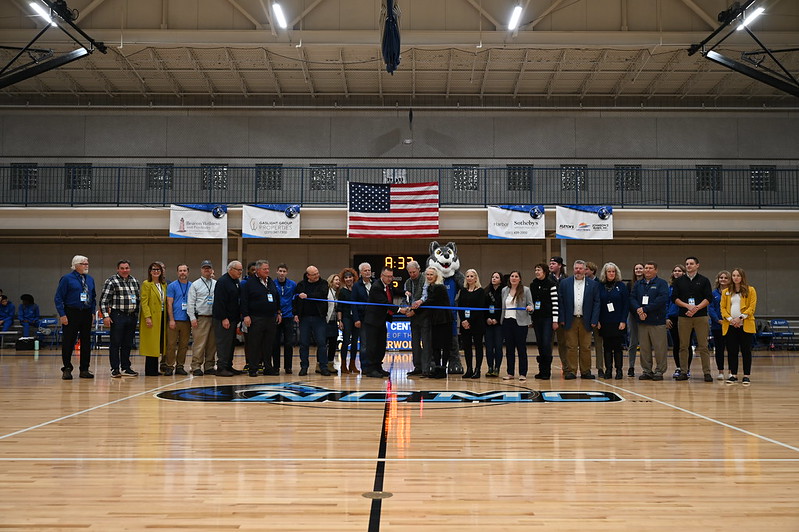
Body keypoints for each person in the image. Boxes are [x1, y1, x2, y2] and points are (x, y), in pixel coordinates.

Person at [672, 256, 714, 382]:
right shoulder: (679, 281)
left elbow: (708, 298)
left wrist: (696, 308)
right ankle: (684, 372)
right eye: (687, 264)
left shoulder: (704, 280)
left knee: (703, 346)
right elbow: (674, 298)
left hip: (701, 317)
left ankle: (707, 373)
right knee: (683, 346)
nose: (689, 265)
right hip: (684, 317)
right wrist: (687, 306)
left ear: (697, 265)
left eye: (691, 263)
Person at [557, 260, 601, 380]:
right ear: (573, 269)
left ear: (585, 269)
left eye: (581, 268)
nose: (578, 270)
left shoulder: (593, 284)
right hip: (569, 319)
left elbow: (597, 303)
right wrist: (561, 318)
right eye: (576, 268)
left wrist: (594, 319)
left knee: (585, 347)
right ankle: (571, 371)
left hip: (586, 320)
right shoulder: (565, 283)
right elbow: (560, 302)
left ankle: (585, 371)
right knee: (571, 346)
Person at [55, 255, 96, 380]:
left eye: (87, 263)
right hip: (71, 312)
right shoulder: (67, 279)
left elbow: (93, 297)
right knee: (68, 341)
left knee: (86, 342)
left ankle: (84, 369)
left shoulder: (90, 279)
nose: (86, 265)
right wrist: (62, 314)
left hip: (86, 312)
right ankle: (67, 368)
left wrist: (93, 312)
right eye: (84, 264)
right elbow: (58, 298)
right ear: (76, 265)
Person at [99, 260, 141, 378]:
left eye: (126, 268)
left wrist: (136, 314)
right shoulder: (111, 281)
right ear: (118, 269)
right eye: (122, 268)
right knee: (115, 343)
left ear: (130, 269)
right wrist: (106, 316)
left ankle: (126, 367)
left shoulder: (134, 281)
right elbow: (103, 301)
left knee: (128, 343)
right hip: (118, 316)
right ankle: (115, 368)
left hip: (131, 316)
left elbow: (137, 299)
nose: (124, 270)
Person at [240, 259, 282, 377]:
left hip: (270, 318)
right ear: (258, 270)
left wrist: (279, 312)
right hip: (255, 318)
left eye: (268, 269)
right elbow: (244, 301)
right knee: (254, 344)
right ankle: (253, 368)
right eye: (264, 269)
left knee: (268, 344)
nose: (267, 271)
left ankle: (268, 367)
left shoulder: (271, 282)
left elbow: (276, 297)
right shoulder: (249, 283)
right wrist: (246, 316)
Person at [629, 262, 670, 381]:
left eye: (650, 268)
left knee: (659, 348)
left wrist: (645, 309)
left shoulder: (661, 283)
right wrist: (639, 310)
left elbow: (662, 299)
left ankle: (659, 371)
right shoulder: (638, 283)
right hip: (642, 321)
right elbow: (632, 298)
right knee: (644, 348)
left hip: (657, 321)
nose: (647, 270)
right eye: (646, 268)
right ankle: (647, 371)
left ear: (656, 270)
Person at [363, 267, 402, 378]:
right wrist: (399, 310)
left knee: (381, 345)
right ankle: (370, 369)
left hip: (381, 321)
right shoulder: (376, 287)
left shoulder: (388, 285)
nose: (390, 279)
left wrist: (405, 292)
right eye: (388, 276)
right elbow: (384, 302)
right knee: (372, 346)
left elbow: (396, 292)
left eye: (391, 277)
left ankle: (378, 367)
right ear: (382, 276)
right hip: (372, 321)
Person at [721, 268, 757, 386]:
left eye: (738, 275)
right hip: (731, 325)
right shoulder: (726, 291)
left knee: (746, 351)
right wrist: (731, 320)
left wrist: (740, 318)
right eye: (734, 275)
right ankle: (733, 375)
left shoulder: (750, 290)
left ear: (742, 277)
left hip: (745, 324)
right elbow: (723, 308)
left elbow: (751, 307)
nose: (735, 277)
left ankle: (746, 375)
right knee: (732, 351)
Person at [294, 265, 331, 376]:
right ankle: (304, 366)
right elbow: (296, 299)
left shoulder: (323, 283)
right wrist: (295, 313)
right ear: (308, 275)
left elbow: (322, 294)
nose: (317, 276)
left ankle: (323, 367)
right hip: (304, 318)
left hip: (319, 318)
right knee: (304, 343)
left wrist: (307, 296)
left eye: (317, 273)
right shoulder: (301, 284)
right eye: (314, 274)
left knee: (321, 343)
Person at [417, 267, 451, 379]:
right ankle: (437, 368)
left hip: (444, 320)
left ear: (436, 276)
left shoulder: (439, 287)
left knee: (444, 345)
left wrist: (417, 306)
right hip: (435, 320)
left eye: (431, 274)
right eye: (427, 274)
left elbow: (431, 301)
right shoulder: (429, 287)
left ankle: (443, 369)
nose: (429, 276)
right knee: (435, 345)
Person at [597, 262, 629, 380]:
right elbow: (597, 304)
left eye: (613, 271)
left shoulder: (621, 286)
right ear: (605, 273)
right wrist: (598, 320)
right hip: (604, 321)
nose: (611, 273)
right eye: (609, 271)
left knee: (617, 347)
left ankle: (619, 371)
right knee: (607, 347)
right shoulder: (599, 286)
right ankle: (608, 370)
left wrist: (623, 320)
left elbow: (626, 305)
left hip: (618, 321)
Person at [501, 270, 534, 381]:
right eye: (512, 276)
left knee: (521, 349)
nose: (514, 278)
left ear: (519, 279)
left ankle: (522, 373)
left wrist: (530, 308)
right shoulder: (504, 290)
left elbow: (530, 304)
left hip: (520, 323)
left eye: (516, 276)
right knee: (509, 349)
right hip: (507, 322)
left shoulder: (525, 290)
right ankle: (510, 373)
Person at [213, 261, 245, 377]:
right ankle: (221, 368)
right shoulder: (222, 282)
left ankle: (228, 366)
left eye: (241, 270)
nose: (240, 272)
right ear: (230, 269)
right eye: (238, 270)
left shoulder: (236, 281)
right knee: (223, 344)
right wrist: (224, 318)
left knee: (231, 344)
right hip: (224, 319)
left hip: (233, 319)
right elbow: (219, 302)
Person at [187, 260, 217, 376]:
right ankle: (196, 366)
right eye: (205, 268)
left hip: (213, 318)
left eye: (209, 268)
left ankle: (209, 366)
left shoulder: (216, 283)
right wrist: (192, 318)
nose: (207, 270)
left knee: (211, 345)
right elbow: (191, 303)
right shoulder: (195, 284)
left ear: (212, 270)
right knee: (199, 344)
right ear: (201, 270)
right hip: (201, 318)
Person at [529, 263, 558, 380]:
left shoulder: (551, 284)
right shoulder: (533, 285)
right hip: (537, 318)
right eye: (535, 270)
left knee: (546, 344)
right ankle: (541, 370)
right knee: (540, 344)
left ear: (544, 271)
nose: (537, 272)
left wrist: (555, 320)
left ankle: (547, 371)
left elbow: (555, 303)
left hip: (548, 318)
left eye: (539, 270)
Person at [457, 268, 488, 379]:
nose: (469, 278)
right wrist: (463, 321)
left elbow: (480, 308)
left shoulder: (480, 291)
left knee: (478, 346)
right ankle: (469, 369)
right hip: (464, 323)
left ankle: (477, 369)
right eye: (468, 276)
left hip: (477, 323)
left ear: (476, 278)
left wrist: (469, 321)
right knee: (467, 347)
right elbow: (459, 307)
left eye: (471, 276)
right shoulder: (463, 291)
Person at [140, 262, 167, 376]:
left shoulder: (163, 285)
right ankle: (150, 370)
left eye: (158, 270)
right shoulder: (147, 284)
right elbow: (144, 302)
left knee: (158, 343)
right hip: (151, 317)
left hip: (161, 317)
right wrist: (147, 317)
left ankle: (155, 368)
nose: (156, 271)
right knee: (151, 344)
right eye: (154, 269)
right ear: (150, 272)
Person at [163, 264, 191, 376]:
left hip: (187, 320)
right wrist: (171, 319)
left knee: (184, 345)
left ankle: (180, 366)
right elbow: (169, 304)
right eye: (180, 271)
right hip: (174, 320)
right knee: (171, 345)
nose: (182, 273)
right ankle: (169, 366)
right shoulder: (172, 286)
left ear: (188, 272)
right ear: (177, 272)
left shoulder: (192, 286)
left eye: (184, 270)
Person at [404, 261, 430, 377]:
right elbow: (406, 300)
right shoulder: (408, 282)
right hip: (413, 317)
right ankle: (417, 366)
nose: (412, 274)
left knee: (426, 342)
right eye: (410, 272)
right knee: (415, 343)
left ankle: (426, 368)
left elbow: (426, 298)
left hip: (424, 316)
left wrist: (415, 310)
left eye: (414, 272)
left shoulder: (425, 279)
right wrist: (406, 308)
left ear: (419, 270)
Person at [666, 265, 693, 378]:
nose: (677, 272)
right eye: (675, 271)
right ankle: (678, 367)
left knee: (687, 344)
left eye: (679, 271)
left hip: (687, 317)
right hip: (673, 317)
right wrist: (666, 317)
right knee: (676, 344)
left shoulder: (688, 286)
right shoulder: (670, 288)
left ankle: (686, 368)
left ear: (683, 273)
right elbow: (666, 303)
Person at [272, 264, 297, 374]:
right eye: (280, 271)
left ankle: (288, 367)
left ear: (287, 272)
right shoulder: (272, 284)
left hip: (288, 316)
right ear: (277, 271)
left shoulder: (292, 284)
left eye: (284, 271)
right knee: (275, 342)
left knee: (288, 343)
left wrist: (295, 313)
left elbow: (296, 299)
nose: (282, 273)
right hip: (276, 317)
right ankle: (276, 366)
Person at [709, 270, 731, 380]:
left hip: (731, 324)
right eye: (721, 277)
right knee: (719, 349)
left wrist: (729, 320)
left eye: (725, 278)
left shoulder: (733, 293)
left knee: (732, 348)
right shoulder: (713, 293)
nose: (723, 279)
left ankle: (732, 371)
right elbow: (711, 308)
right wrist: (717, 320)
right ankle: (721, 371)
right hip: (717, 325)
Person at [336, 268, 359, 374]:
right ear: (343, 279)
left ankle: (352, 364)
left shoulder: (357, 289)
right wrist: (340, 321)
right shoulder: (342, 291)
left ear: (353, 278)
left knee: (355, 342)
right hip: (346, 318)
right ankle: (343, 364)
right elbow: (339, 307)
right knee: (346, 341)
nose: (348, 279)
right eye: (346, 277)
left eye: (350, 277)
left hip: (356, 318)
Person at [548, 256, 569, 374]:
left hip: (562, 317)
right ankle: (546, 369)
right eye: (550, 263)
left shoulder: (566, 279)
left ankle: (566, 368)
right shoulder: (547, 279)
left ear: (560, 265)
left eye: (553, 263)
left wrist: (563, 317)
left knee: (563, 343)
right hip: (549, 316)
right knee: (547, 344)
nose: (551, 265)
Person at [351, 262, 372, 372]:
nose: (367, 272)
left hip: (374, 319)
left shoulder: (376, 283)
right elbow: (353, 303)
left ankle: (374, 365)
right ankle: (365, 366)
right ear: (360, 273)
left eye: (369, 270)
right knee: (364, 344)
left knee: (373, 343)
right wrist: (356, 319)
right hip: (362, 318)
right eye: (365, 270)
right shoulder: (356, 286)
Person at [484, 271, 504, 377]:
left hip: (499, 324)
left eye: (496, 277)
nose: (494, 279)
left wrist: (497, 319)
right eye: (493, 277)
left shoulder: (504, 292)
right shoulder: (486, 291)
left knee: (498, 346)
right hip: (488, 323)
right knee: (489, 347)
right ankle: (490, 367)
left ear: (500, 280)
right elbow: (483, 307)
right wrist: (487, 318)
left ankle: (497, 368)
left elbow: (504, 308)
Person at [586, 261, 605, 376]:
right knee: (585, 345)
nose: (585, 271)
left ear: (592, 271)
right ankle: (586, 368)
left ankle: (600, 368)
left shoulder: (599, 283)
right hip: (585, 318)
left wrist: (597, 318)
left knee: (599, 345)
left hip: (597, 319)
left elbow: (599, 302)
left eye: (587, 269)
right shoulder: (582, 283)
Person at [626, 262, 645, 376]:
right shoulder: (630, 284)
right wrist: (637, 311)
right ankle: (631, 366)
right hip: (633, 315)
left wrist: (644, 311)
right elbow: (629, 300)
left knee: (645, 343)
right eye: (636, 268)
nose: (638, 270)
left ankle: (646, 368)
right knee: (633, 342)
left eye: (640, 268)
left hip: (645, 315)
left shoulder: (647, 284)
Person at [324, 273, 341, 374]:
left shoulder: (338, 293)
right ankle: (320, 364)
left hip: (334, 321)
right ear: (331, 281)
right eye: (336, 280)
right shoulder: (327, 292)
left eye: (339, 280)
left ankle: (330, 364)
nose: (338, 281)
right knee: (323, 344)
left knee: (333, 344)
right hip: (326, 321)